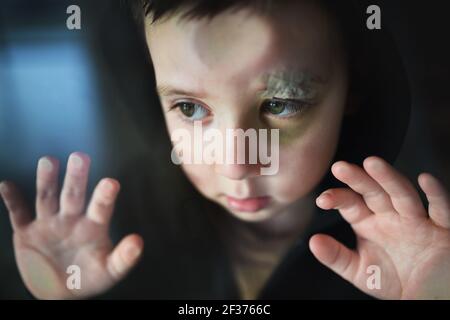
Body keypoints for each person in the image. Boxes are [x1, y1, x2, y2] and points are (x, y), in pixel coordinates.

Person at [1, 0, 449, 299]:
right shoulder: (116, 227)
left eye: (280, 104)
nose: (234, 164)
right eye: (190, 108)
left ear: (354, 88)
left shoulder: (417, 249)